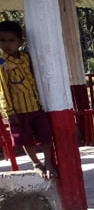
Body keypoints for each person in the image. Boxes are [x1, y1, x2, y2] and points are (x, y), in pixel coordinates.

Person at [0, 21, 56, 180]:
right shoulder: (2, 63)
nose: (6, 44)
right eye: (2, 40)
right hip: (18, 110)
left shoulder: (26, 58)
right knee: (25, 138)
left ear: (20, 42)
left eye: (11, 40)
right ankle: (36, 163)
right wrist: (9, 112)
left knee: (46, 135)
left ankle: (49, 162)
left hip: (35, 105)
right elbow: (2, 89)